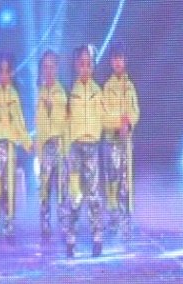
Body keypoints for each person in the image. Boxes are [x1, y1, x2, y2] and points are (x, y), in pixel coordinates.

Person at [0, 52, 32, 241]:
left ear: (11, 73)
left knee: (9, 188)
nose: (4, 75)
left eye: (7, 71)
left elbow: (19, 122)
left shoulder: (14, 95)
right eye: (1, 71)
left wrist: (27, 143)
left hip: (10, 146)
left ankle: (9, 226)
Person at [64, 45, 105, 258]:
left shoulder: (98, 91)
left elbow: (106, 118)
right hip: (74, 148)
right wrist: (65, 149)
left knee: (94, 195)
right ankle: (71, 240)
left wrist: (123, 123)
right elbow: (65, 123)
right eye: (81, 64)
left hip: (92, 147)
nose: (85, 68)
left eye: (88, 64)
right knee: (75, 195)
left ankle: (97, 238)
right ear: (76, 65)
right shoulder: (70, 92)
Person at [100, 48, 140, 238]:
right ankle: (113, 219)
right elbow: (103, 115)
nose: (118, 62)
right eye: (115, 58)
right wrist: (118, 124)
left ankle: (126, 221)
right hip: (111, 140)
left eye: (120, 58)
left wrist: (129, 123)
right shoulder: (107, 87)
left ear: (125, 61)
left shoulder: (130, 86)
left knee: (126, 182)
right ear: (111, 62)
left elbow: (135, 110)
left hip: (126, 141)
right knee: (112, 181)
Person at [34, 50, 67, 243]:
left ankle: (64, 225)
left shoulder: (61, 93)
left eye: (52, 67)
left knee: (62, 189)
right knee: (44, 189)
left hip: (59, 146)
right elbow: (38, 123)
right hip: (44, 148)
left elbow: (63, 121)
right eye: (45, 67)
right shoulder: (40, 93)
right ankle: (45, 225)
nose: (48, 71)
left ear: (57, 68)